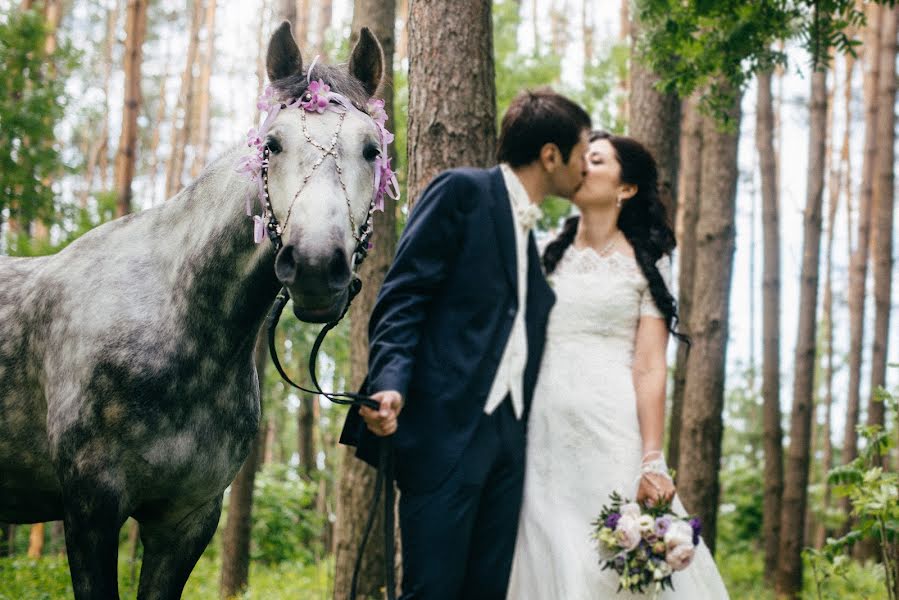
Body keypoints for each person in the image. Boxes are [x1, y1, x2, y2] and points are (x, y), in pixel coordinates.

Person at [339, 89, 591, 600]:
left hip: (509, 441)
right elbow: (404, 297)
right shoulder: (462, 192)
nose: (586, 167)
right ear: (550, 155)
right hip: (445, 434)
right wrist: (389, 383)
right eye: (582, 153)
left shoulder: (532, 239)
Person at [506, 131, 729, 599]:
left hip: (611, 429)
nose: (582, 167)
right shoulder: (544, 251)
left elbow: (650, 366)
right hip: (541, 428)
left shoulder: (648, 264)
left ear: (626, 189)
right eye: (581, 158)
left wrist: (652, 457)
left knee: (609, 562)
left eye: (597, 160)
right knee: (545, 548)